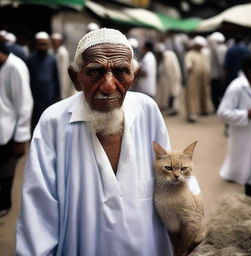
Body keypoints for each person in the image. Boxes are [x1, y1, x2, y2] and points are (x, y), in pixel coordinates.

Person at [16, 28, 174, 255]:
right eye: (95, 72)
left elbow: (168, 178)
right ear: (76, 78)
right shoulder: (54, 122)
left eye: (121, 72)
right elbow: (37, 214)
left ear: (134, 76)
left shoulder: (146, 109)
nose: (109, 86)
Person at [0, 42, 33, 217]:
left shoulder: (16, 67)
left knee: (6, 170)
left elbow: (25, 105)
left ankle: (5, 204)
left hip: (9, 130)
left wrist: (21, 138)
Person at [217, 54, 251, 197]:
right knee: (248, 171)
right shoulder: (237, 87)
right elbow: (222, 113)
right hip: (244, 135)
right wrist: (246, 114)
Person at [27, 31, 60, 132]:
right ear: (36, 44)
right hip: (34, 96)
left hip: (49, 96)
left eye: (44, 44)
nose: (42, 47)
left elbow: (56, 77)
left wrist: (57, 95)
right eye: (40, 44)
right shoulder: (30, 59)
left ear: (48, 45)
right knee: (36, 121)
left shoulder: (52, 59)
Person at [185, 36, 212, 123]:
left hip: (204, 77)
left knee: (204, 93)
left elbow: (207, 65)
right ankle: (192, 114)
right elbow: (188, 66)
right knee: (192, 95)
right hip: (193, 77)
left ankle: (204, 110)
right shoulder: (190, 54)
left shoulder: (204, 54)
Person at [155, 43, 182, 115]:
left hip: (172, 78)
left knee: (174, 93)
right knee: (169, 94)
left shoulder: (169, 56)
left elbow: (169, 70)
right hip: (167, 78)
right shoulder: (164, 57)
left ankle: (174, 109)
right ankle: (170, 108)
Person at [51, 32, 72, 99]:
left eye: (56, 42)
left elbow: (63, 71)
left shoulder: (62, 52)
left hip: (62, 77)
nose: (54, 43)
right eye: (53, 42)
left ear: (60, 42)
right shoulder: (53, 50)